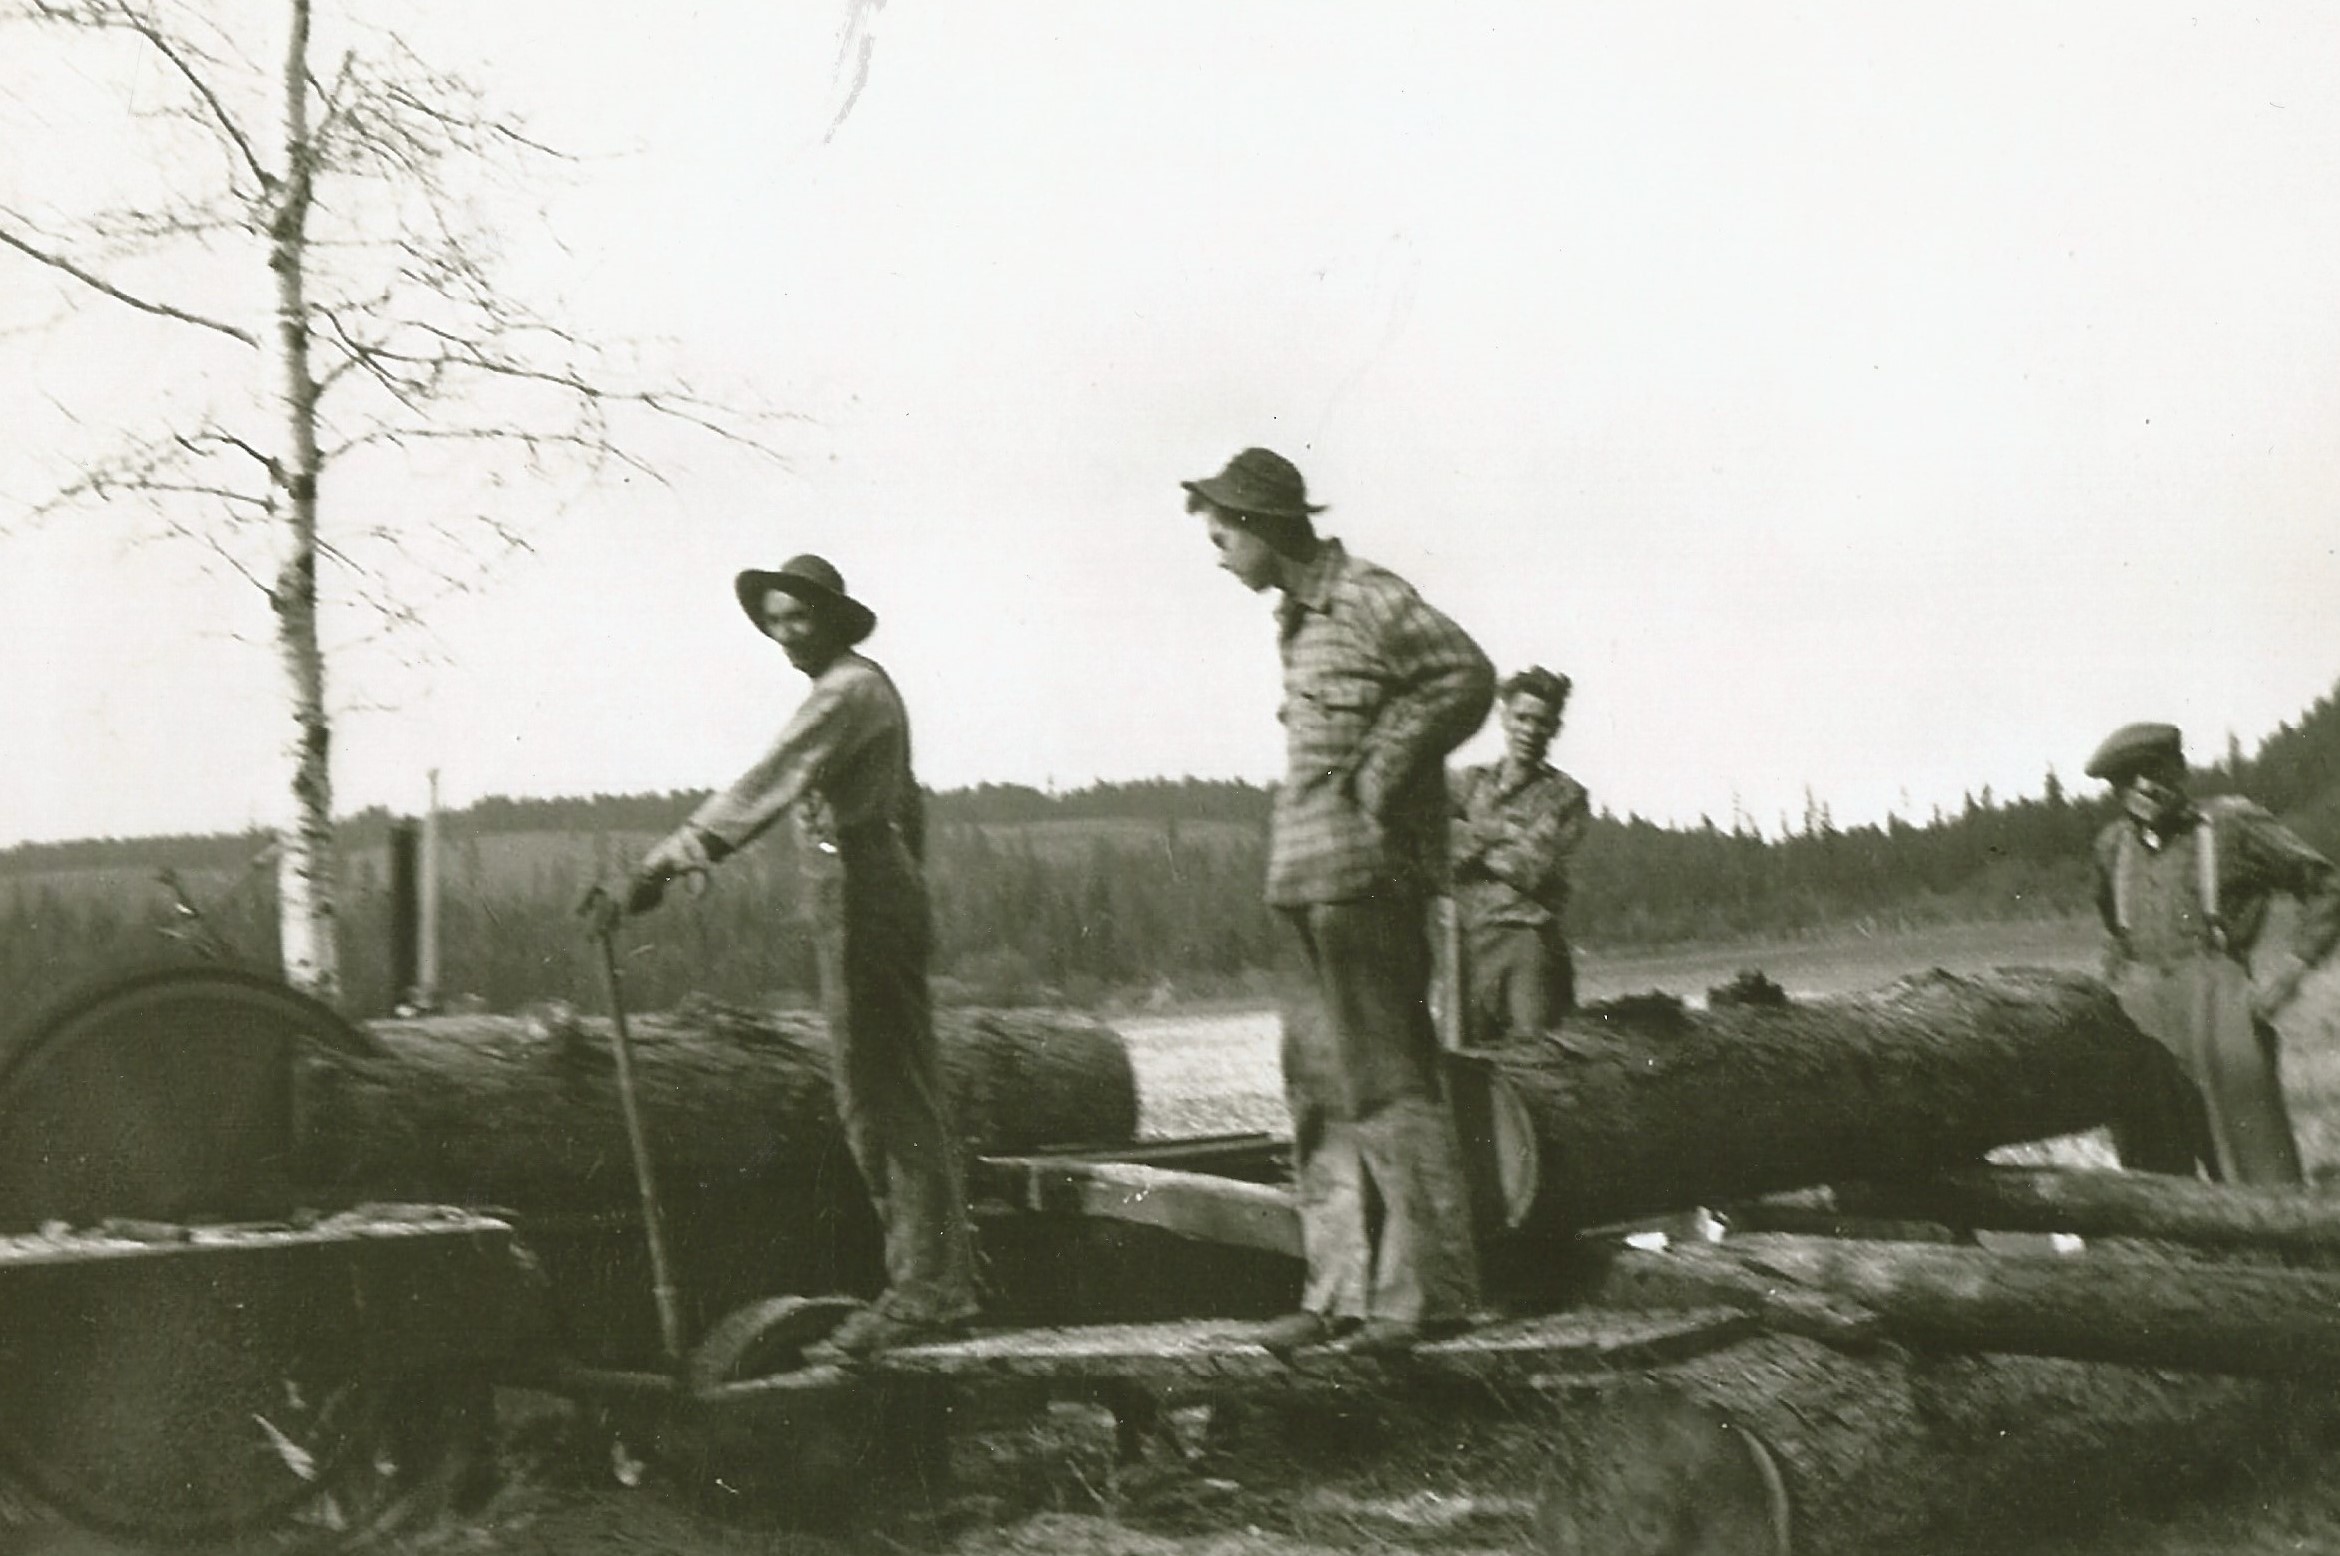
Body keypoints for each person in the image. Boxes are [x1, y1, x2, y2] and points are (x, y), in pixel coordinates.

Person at [618, 554, 979, 1358]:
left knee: (883, 1092)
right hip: (857, 885)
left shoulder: (848, 691)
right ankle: (928, 1282)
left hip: (862, 887)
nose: (785, 636)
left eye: (799, 619)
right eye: (774, 622)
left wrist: (671, 858)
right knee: (876, 1088)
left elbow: (770, 776)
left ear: (833, 618)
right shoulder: (852, 690)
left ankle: (927, 1290)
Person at [1182, 446, 1494, 1357]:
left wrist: (1385, 770)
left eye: (1222, 534)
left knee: (1389, 1081)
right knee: (1318, 1090)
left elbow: (1463, 675)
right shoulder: (1299, 619)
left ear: (1264, 527)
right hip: (1306, 880)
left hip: (1370, 878)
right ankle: (1338, 1295)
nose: (1217, 552)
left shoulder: (1365, 594)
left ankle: (1425, 1298)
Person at [2087, 720, 2340, 1185]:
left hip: (2219, 1002)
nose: (2144, 785)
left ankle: (2272, 1252)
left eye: (2154, 769)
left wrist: (2290, 975)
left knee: (2253, 1164)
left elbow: (2327, 888)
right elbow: (2114, 928)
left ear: (2179, 768)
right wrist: (2110, 990)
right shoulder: (2111, 847)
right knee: (2150, 1161)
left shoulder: (2230, 825)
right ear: (2116, 790)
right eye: (2128, 777)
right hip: (2140, 1011)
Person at [1450, 667, 1591, 1043]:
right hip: (1464, 947)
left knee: (1536, 1066)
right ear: (1504, 718)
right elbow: (1434, 847)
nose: (1530, 730)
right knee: (1459, 1066)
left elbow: (1531, 868)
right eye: (1522, 718)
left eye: (1542, 722)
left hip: (1528, 945)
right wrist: (1498, 833)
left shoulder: (1566, 795)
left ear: (1555, 728)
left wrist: (1468, 841)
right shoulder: (1468, 783)